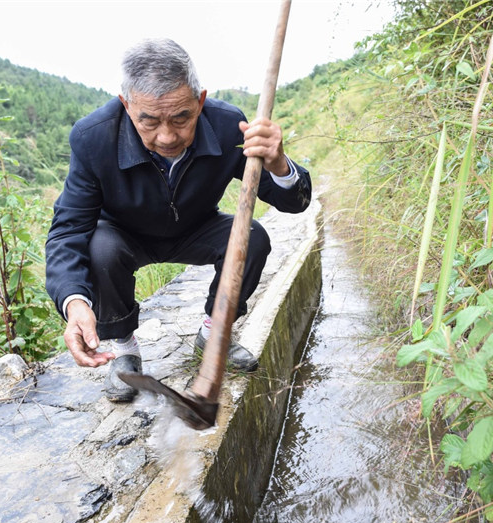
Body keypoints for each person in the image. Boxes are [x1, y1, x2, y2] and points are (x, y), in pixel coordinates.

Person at [45, 38, 312, 402]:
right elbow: (68, 229)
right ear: (126, 106)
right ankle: (124, 351)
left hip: (195, 227)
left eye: (182, 118)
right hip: (124, 236)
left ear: (200, 101)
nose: (167, 136)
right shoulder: (94, 139)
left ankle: (214, 334)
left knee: (252, 236)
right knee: (99, 247)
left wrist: (279, 163)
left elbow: (294, 203)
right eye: (149, 121)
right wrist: (74, 302)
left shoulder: (226, 125)